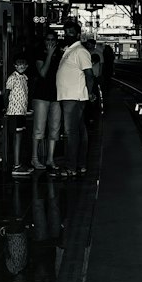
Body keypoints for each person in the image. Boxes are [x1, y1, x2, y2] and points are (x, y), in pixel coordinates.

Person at [50, 21, 96, 178]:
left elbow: (89, 75)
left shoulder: (80, 51)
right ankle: (80, 164)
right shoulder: (71, 50)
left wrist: (89, 93)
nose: (67, 35)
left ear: (77, 34)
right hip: (71, 96)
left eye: (70, 32)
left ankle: (70, 167)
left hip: (74, 97)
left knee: (71, 133)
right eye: (66, 32)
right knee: (80, 131)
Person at [31, 30, 62, 171]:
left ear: (56, 40)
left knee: (55, 129)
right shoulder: (39, 53)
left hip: (56, 95)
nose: (50, 42)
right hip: (41, 95)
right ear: (44, 41)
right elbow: (42, 72)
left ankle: (50, 159)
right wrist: (49, 55)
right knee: (39, 129)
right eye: (47, 39)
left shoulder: (61, 54)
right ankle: (35, 159)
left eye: (52, 39)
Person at [4, 51, 31, 177]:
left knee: (20, 137)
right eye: (19, 64)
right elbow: (6, 94)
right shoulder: (12, 78)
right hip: (14, 112)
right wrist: (5, 108)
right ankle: (16, 165)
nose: (22, 66)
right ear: (15, 65)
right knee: (17, 137)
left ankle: (19, 163)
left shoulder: (25, 78)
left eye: (24, 64)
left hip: (22, 112)